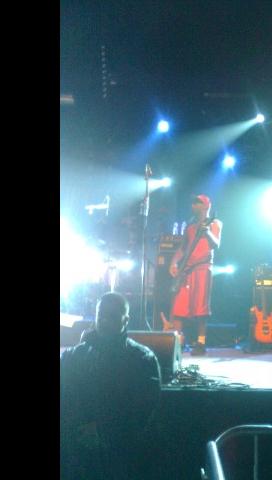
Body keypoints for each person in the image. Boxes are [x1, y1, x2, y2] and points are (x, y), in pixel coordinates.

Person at [60, 292, 161, 480]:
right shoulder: (73, 356)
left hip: (120, 456)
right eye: (101, 315)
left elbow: (142, 410)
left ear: (126, 320)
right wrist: (79, 429)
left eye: (112, 316)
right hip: (78, 453)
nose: (105, 320)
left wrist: (102, 431)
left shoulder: (142, 359)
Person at [167, 194, 222, 355]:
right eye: (193, 202)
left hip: (203, 268)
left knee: (201, 308)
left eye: (198, 203)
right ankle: (178, 341)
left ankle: (201, 342)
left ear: (206, 206)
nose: (194, 205)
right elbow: (182, 249)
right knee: (179, 306)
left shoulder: (215, 223)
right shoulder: (190, 227)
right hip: (186, 270)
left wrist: (207, 232)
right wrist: (173, 263)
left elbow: (216, 244)